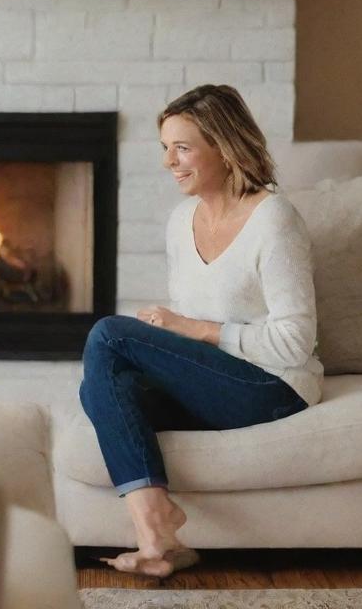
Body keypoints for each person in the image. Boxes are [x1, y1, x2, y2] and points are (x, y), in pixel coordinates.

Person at [80, 85, 321, 577]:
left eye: (182, 147)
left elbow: (296, 342)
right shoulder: (180, 221)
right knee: (104, 385)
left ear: (225, 146)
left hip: (273, 385)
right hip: (215, 384)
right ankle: (160, 537)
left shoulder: (273, 219)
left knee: (108, 334)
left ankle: (155, 527)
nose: (170, 161)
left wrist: (188, 328)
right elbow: (190, 323)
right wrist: (172, 335)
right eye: (165, 147)